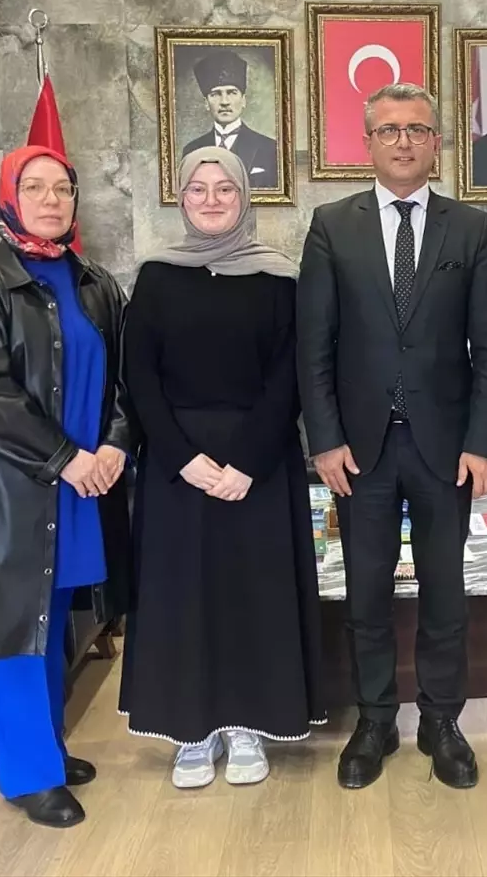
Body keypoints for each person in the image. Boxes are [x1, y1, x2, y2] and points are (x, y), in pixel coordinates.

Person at [298, 83, 487, 791]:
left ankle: (442, 722)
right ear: (368, 142)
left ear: (437, 144)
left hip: (447, 447)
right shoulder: (333, 225)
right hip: (359, 449)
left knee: (446, 593)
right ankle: (375, 719)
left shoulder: (472, 229)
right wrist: (323, 439)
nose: (403, 142)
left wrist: (483, 442)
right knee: (366, 594)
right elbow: (314, 346)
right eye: (389, 130)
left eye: (418, 129)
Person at [0, 146, 135, 828]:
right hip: (9, 484)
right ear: (10, 198)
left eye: (63, 188)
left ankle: (45, 747)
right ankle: (27, 775)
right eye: (35, 187)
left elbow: (122, 380)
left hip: (79, 482)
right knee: (14, 629)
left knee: (50, 624)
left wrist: (112, 443)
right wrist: (63, 456)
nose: (51, 200)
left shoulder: (94, 282)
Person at [118, 148, 325, 789]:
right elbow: (139, 378)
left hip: (258, 463)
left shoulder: (278, 278)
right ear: (181, 199)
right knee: (183, 596)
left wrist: (246, 462)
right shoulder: (154, 276)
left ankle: (247, 725)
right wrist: (185, 461)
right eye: (198, 189)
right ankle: (190, 731)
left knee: (251, 593)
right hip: (176, 464)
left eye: (224, 190)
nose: (211, 200)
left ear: (245, 198)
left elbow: (291, 378)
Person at [182, 49, 279, 189]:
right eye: (216, 94)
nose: (225, 101)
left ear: (243, 100)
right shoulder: (192, 150)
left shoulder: (269, 148)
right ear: (206, 103)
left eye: (232, 93)